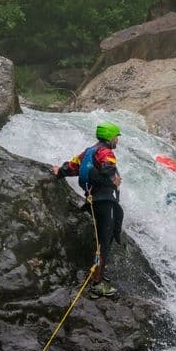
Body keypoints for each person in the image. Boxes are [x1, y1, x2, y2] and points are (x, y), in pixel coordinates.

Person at [52, 122, 123, 299]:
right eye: (116, 137)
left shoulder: (89, 151)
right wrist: (113, 177)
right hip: (104, 200)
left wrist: (59, 171)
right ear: (110, 137)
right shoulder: (106, 151)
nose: (117, 141)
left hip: (93, 200)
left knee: (102, 239)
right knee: (104, 242)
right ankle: (97, 284)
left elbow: (71, 167)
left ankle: (97, 272)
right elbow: (108, 167)